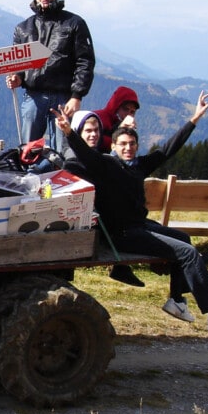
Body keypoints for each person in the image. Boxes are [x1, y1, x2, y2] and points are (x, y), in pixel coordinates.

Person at [55, 92, 208, 331]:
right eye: (122, 144)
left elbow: (168, 149)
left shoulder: (139, 165)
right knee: (187, 252)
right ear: (112, 145)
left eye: (132, 144)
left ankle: (177, 300)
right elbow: (84, 154)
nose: (128, 148)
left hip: (139, 226)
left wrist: (194, 119)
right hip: (122, 234)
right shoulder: (105, 165)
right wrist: (69, 132)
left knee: (184, 239)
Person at [5, 0, 95, 153]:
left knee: (63, 151)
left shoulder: (74, 24)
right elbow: (18, 65)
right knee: (27, 151)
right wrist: (17, 78)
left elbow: (85, 61)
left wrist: (77, 96)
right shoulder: (23, 28)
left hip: (63, 97)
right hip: (33, 97)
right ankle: (29, 179)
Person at [64, 110, 146, 288]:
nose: (94, 135)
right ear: (78, 132)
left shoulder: (96, 156)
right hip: (96, 220)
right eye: (88, 131)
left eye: (96, 131)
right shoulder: (74, 160)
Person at [97, 85, 140, 151]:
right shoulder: (99, 118)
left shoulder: (125, 126)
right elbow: (94, 140)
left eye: (132, 112)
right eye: (125, 109)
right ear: (116, 107)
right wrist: (120, 130)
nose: (128, 114)